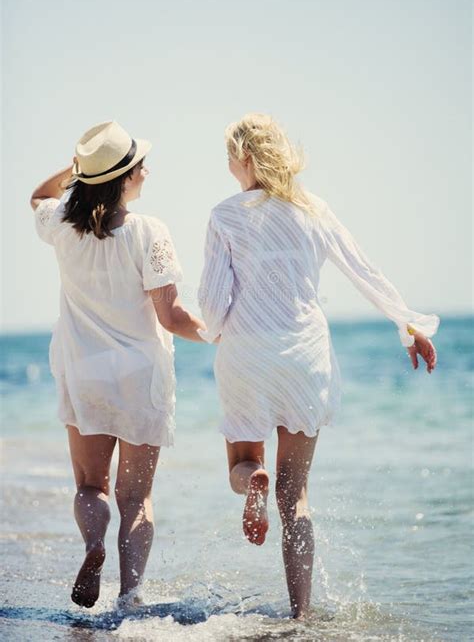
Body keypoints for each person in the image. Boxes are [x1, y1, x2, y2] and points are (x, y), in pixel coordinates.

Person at [197, 113, 439, 619]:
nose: (226, 165)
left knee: (243, 463)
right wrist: (408, 326)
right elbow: (363, 269)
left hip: (247, 352)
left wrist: (214, 333)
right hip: (305, 357)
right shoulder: (314, 209)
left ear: (244, 158)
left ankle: (252, 481)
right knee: (297, 495)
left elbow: (214, 304)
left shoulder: (224, 215)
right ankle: (301, 615)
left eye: (228, 155)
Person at [31, 120, 205, 609]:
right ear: (125, 177)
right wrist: (218, 334)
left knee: (91, 486)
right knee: (136, 498)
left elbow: (36, 198)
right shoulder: (150, 231)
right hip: (140, 377)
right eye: (137, 164)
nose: (146, 170)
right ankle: (130, 598)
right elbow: (171, 317)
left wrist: (80, 169)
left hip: (83, 371)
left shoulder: (62, 222)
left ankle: (92, 546)